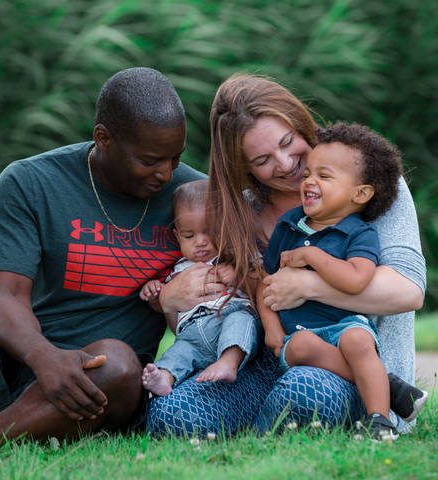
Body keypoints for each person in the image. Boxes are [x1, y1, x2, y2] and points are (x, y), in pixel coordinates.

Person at [146, 74, 426, 437]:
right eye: (262, 159)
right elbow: (227, 308)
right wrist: (171, 297)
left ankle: (377, 408)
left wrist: (307, 284)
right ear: (244, 168)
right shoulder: (242, 212)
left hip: (359, 361)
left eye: (287, 142)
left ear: (300, 123)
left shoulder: (364, 182)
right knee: (173, 415)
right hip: (272, 358)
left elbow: (408, 290)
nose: (284, 163)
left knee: (305, 392)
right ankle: (258, 422)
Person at [0, 67, 207, 450]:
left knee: (117, 364)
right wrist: (44, 358)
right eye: (149, 160)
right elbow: (5, 296)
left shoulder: (194, 199)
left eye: (175, 158)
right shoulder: (29, 182)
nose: (165, 173)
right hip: (20, 357)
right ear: (103, 138)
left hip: (107, 379)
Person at [257, 122, 427, 440]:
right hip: (298, 334)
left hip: (345, 325)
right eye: (308, 173)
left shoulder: (359, 232)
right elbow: (265, 283)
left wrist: (312, 258)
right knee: (306, 345)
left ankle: (380, 421)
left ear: (360, 193)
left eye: (324, 176)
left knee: (358, 341)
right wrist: (271, 327)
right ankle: (389, 387)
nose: (309, 181)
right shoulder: (290, 225)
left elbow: (357, 279)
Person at [140, 179, 260, 396]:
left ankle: (228, 362)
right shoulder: (177, 270)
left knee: (242, 320)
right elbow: (172, 317)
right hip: (192, 334)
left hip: (228, 320)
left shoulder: (234, 257)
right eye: (189, 235)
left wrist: (237, 275)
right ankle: (165, 377)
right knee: (180, 351)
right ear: (177, 235)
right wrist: (156, 294)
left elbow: (260, 282)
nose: (201, 242)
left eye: (209, 232)